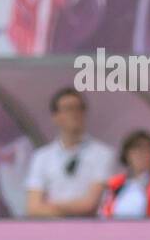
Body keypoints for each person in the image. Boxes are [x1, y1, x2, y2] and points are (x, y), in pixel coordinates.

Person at [25, 88, 115, 217]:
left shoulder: (103, 154)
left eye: (78, 108)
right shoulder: (42, 157)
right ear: (55, 117)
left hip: (89, 230)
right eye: (68, 109)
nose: (74, 114)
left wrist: (49, 206)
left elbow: (90, 205)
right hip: (52, 232)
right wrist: (68, 209)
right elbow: (33, 208)